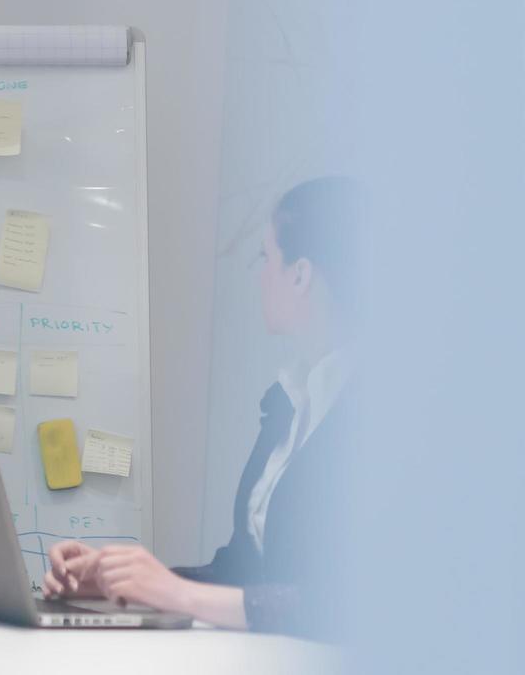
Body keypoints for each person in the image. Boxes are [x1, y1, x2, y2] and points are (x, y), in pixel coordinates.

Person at [41, 176, 362, 638]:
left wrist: (178, 595)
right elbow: (242, 575)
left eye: (266, 258)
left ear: (300, 274)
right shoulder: (290, 402)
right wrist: (125, 585)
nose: (260, 275)